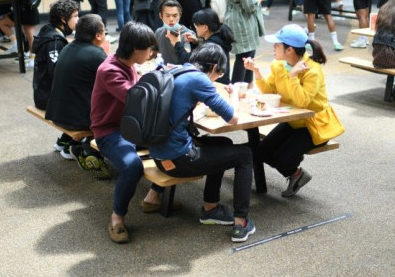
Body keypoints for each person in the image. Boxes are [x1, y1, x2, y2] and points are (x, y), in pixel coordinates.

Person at [148, 43, 256, 242]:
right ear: (214, 67)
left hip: (157, 155)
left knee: (223, 144)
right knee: (245, 154)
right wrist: (233, 95)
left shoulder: (178, 71)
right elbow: (232, 118)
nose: (216, 80)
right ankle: (241, 222)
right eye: (218, 76)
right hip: (178, 161)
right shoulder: (199, 79)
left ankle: (211, 207)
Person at [246, 25, 344, 197]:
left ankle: (295, 173)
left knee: (283, 158)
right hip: (293, 121)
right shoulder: (279, 64)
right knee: (262, 152)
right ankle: (296, 175)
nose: (273, 48)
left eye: (277, 45)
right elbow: (271, 91)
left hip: (315, 124)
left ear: (289, 49)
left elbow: (302, 102)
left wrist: (292, 77)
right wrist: (257, 73)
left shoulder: (312, 70)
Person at [90, 22, 165, 244]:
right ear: (134, 49)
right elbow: (136, 99)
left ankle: (154, 196)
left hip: (131, 126)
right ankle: (117, 218)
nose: (151, 53)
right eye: (148, 49)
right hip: (109, 131)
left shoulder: (128, 63)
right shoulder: (109, 70)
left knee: (173, 139)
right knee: (132, 165)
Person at [45, 14, 109, 176]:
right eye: (104, 31)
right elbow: (114, 82)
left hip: (57, 112)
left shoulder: (68, 47)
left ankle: (70, 141)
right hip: (76, 120)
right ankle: (88, 149)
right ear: (98, 35)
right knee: (118, 108)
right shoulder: (96, 54)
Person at [224, 0, 269, 84]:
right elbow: (250, 6)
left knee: (247, 56)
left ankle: (245, 88)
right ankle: (238, 88)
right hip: (242, 22)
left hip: (236, 19)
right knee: (245, 57)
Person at [32, 0, 79, 111]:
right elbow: (56, 72)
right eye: (75, 16)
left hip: (43, 95)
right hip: (48, 99)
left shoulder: (48, 30)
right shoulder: (54, 41)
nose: (78, 20)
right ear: (63, 19)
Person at [192, 8, 235, 85]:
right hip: (223, 82)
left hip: (215, 85)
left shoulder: (211, 45)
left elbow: (191, 62)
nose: (195, 26)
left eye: (197, 24)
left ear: (205, 27)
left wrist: (177, 43)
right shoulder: (219, 39)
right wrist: (195, 43)